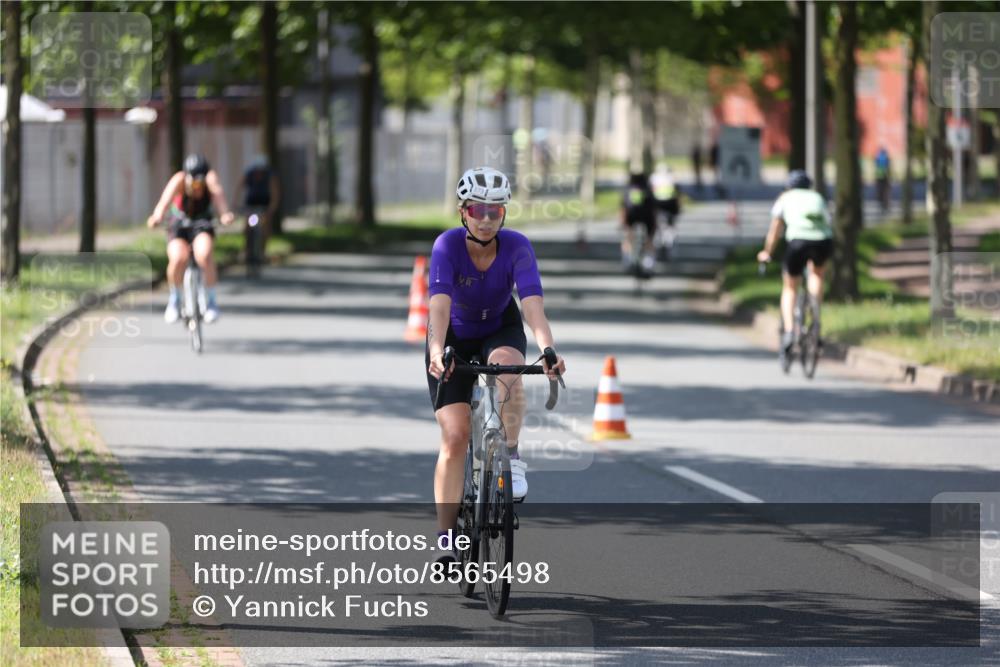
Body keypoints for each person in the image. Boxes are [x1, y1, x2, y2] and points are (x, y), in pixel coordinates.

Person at [426, 166, 566, 562]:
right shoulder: (447, 246)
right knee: (455, 437)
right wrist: (437, 351)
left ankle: (512, 453)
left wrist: (549, 349)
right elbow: (438, 307)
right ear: (462, 212)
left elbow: (533, 305)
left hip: (498, 328)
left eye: (495, 212)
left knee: (510, 370)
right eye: (477, 211)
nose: (486, 220)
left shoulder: (518, 246)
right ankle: (446, 540)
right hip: (452, 335)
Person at [147, 154, 235, 324]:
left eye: (200, 184)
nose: (197, 188)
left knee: (205, 255)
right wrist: (156, 217)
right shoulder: (178, 180)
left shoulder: (211, 180)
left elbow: (220, 199)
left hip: (202, 223)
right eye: (193, 183)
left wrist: (225, 215)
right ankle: (175, 299)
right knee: (178, 258)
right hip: (178, 224)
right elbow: (163, 203)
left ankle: (210, 302)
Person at [756, 170, 834, 357]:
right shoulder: (817, 197)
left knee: (790, 287)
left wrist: (767, 252)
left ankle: (790, 331)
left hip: (797, 242)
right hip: (822, 241)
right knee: (816, 274)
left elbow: (775, 229)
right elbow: (829, 222)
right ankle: (815, 314)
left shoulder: (785, 198)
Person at [236, 154, 280, 260]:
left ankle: (263, 250)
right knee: (248, 225)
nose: (259, 173)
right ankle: (247, 250)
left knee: (265, 225)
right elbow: (239, 189)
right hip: (251, 203)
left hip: (264, 204)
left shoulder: (270, 176)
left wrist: (272, 207)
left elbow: (275, 192)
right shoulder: (249, 174)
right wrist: (236, 204)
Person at [619, 172, 657, 276]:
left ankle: (627, 262)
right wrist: (654, 226)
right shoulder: (648, 189)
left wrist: (623, 224)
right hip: (647, 217)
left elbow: (623, 208)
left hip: (631, 216)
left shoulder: (628, 189)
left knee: (627, 239)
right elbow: (653, 208)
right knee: (650, 240)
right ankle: (649, 265)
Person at [649, 163, 681, 258]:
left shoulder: (653, 177)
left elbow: (650, 191)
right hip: (670, 204)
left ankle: (659, 242)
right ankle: (669, 243)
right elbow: (677, 192)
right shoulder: (672, 177)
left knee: (658, 225)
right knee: (671, 226)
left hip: (658, 204)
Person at [874, 146, 891, 214]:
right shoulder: (886, 157)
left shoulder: (878, 157)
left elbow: (876, 166)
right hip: (885, 176)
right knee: (885, 190)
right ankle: (885, 204)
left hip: (879, 176)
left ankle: (881, 202)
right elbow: (888, 166)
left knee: (880, 190)